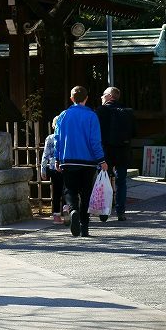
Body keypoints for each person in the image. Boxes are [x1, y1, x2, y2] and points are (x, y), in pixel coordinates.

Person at [53, 85, 109, 238]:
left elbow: (57, 140)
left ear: (71, 99)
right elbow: (95, 140)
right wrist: (101, 159)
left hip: (68, 159)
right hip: (87, 160)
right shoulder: (91, 116)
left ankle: (72, 210)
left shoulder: (63, 116)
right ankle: (85, 227)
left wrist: (57, 159)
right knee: (86, 194)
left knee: (69, 190)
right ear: (86, 98)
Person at [97, 86, 136, 221]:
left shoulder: (101, 111)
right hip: (123, 151)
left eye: (103, 94)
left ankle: (104, 211)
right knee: (121, 182)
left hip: (106, 150)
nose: (101, 97)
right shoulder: (127, 112)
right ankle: (120, 211)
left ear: (109, 96)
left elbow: (97, 132)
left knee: (104, 180)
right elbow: (134, 132)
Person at [39, 124, 64, 224]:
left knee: (56, 192)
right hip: (66, 166)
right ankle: (67, 209)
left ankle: (56, 216)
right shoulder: (67, 137)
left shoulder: (50, 138)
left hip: (53, 167)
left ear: (53, 126)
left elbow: (45, 154)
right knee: (68, 190)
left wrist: (43, 169)